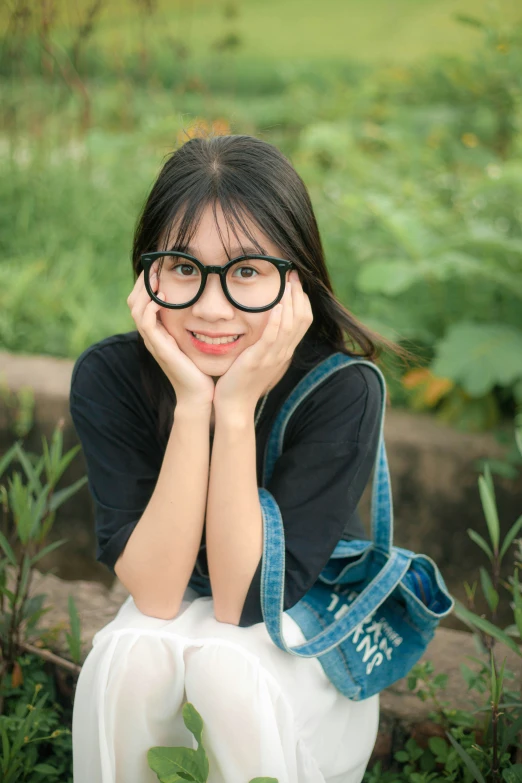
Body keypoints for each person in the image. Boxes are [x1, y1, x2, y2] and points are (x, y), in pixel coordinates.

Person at [70, 133, 414, 783]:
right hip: (176, 622)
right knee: (128, 657)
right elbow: (156, 588)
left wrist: (235, 412)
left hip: (290, 652)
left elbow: (243, 601)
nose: (210, 305)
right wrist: (193, 403)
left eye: (247, 272)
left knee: (227, 667)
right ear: (149, 272)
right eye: (183, 266)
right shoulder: (112, 375)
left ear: (296, 282)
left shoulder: (340, 389)